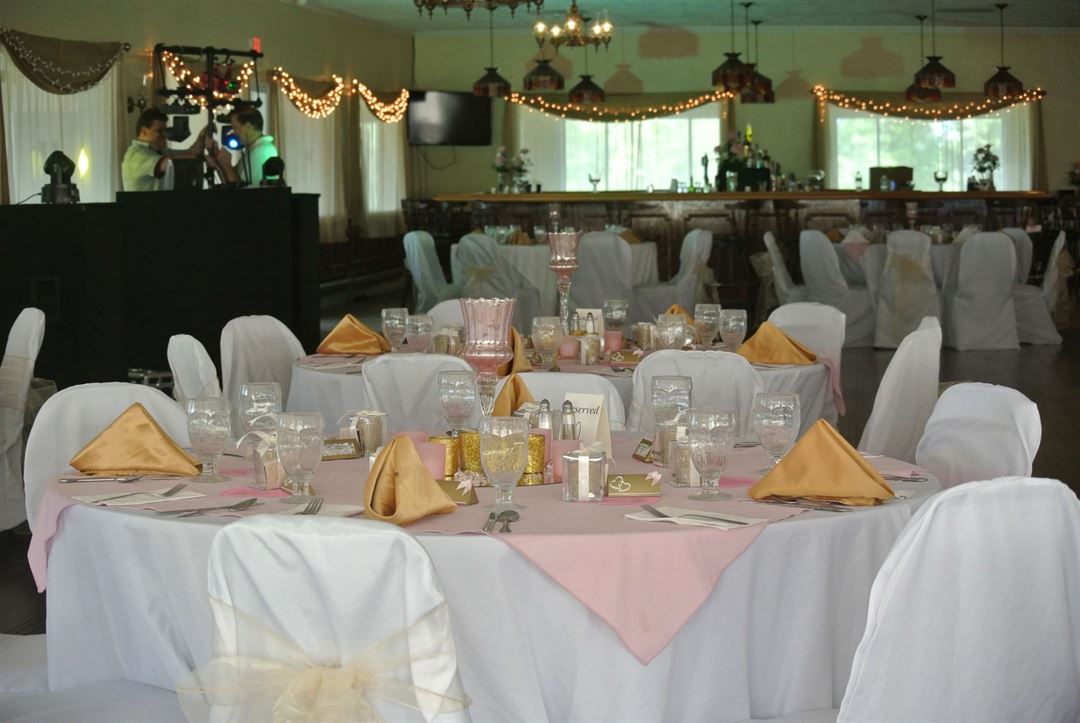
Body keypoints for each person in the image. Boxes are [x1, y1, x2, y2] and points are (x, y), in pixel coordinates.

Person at [121, 108, 209, 192]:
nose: (165, 135)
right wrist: (204, 158)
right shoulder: (136, 155)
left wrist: (202, 136)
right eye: (159, 131)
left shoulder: (159, 152)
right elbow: (170, 163)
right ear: (144, 131)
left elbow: (190, 154)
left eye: (165, 130)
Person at [208, 104, 279, 187]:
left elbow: (243, 189)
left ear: (248, 126)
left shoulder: (262, 151)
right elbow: (230, 182)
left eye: (236, 127)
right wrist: (218, 163)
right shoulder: (252, 150)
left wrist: (226, 164)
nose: (234, 132)